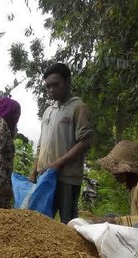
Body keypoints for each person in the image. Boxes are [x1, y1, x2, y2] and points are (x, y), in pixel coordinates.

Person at [32, 62, 93, 223]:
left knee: (68, 223)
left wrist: (59, 163)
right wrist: (33, 172)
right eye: (48, 86)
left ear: (67, 82)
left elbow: (84, 142)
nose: (51, 90)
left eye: (55, 85)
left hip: (67, 178)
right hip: (44, 177)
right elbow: (41, 145)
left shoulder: (78, 107)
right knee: (41, 221)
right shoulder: (48, 111)